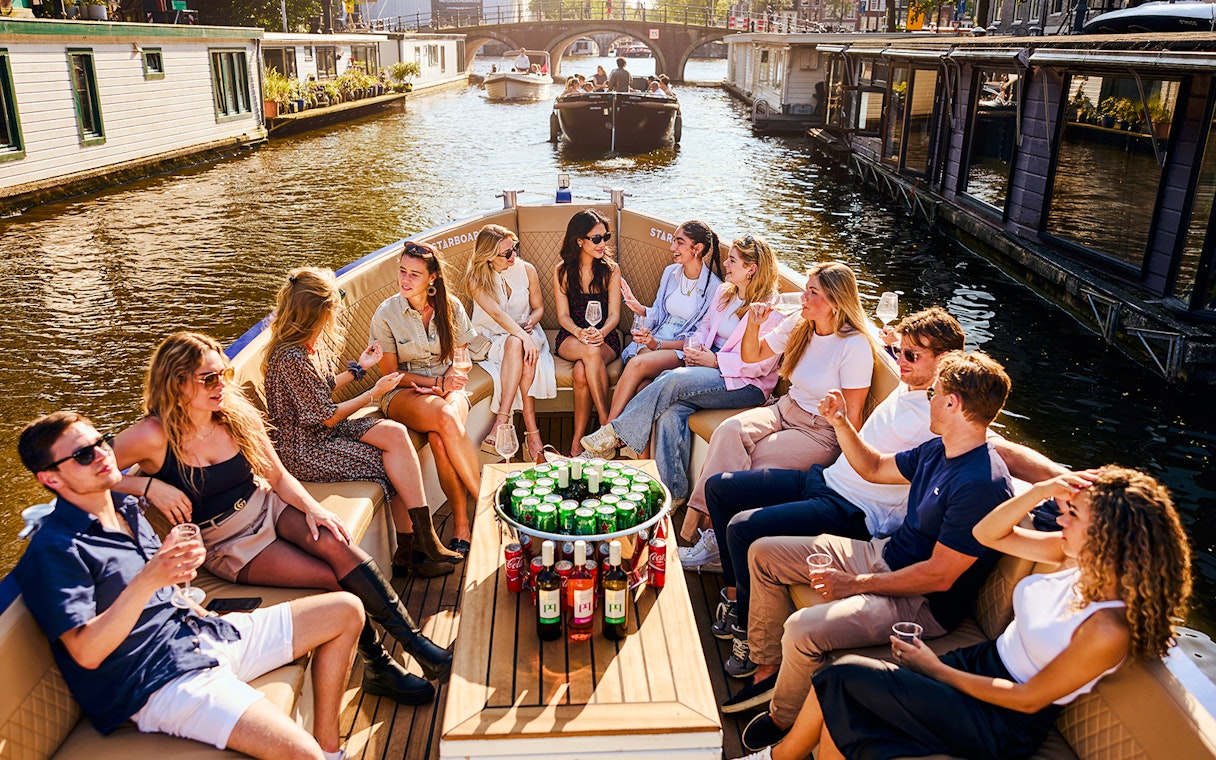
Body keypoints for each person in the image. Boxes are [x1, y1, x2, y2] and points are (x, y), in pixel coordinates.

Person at [732, 466, 1192, 760]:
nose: (1063, 518)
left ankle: (776, 759)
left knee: (841, 677)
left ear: (1110, 536)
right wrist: (1045, 490)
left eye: (1073, 514)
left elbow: (1029, 700)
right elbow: (990, 533)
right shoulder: (1075, 557)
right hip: (976, 665)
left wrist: (933, 667)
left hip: (1002, 718)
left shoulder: (1109, 626)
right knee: (851, 713)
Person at [113, 332, 451, 706]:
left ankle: (418, 646)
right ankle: (379, 667)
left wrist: (314, 508)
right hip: (230, 543)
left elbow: (276, 477)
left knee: (337, 542)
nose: (221, 385)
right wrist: (146, 488)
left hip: (267, 505)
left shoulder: (234, 416)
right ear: (176, 383)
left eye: (223, 374)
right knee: (329, 579)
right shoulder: (152, 436)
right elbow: (92, 472)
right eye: (209, 379)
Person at [15, 411, 363, 759]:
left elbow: (164, 594)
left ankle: (330, 749)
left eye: (102, 441)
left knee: (345, 610)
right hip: (159, 679)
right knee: (301, 754)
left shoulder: (126, 507)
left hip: (202, 634)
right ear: (51, 478)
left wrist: (185, 594)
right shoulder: (56, 549)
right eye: (82, 455)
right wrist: (149, 578)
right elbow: (87, 653)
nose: (103, 455)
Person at [736, 351, 1016, 753]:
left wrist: (853, 584)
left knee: (801, 629)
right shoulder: (939, 449)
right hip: (884, 554)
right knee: (763, 553)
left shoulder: (981, 484)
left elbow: (939, 576)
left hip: (920, 604)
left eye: (934, 393)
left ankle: (782, 718)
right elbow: (873, 467)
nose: (928, 398)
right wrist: (841, 423)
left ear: (953, 404)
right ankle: (768, 668)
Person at [262, 267, 460, 579]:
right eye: (334, 306)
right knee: (390, 464)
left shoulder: (302, 345)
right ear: (320, 311)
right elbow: (326, 416)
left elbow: (319, 389)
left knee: (395, 434)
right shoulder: (291, 358)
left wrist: (360, 368)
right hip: (304, 448)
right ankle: (414, 551)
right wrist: (373, 393)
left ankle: (423, 542)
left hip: (320, 431)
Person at [682, 262, 881, 552]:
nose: (803, 297)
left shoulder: (854, 346)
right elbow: (752, 356)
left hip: (819, 432)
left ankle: (715, 541)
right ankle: (694, 531)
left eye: (812, 292)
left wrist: (847, 470)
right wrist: (753, 323)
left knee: (752, 463)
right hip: (784, 409)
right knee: (729, 431)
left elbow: (853, 415)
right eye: (806, 290)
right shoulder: (801, 324)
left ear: (836, 301)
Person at [580, 235, 784, 502]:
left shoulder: (771, 308)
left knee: (671, 379)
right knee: (671, 412)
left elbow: (762, 364)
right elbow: (705, 328)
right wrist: (696, 349)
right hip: (709, 371)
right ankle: (672, 493)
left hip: (744, 385)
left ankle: (614, 433)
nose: (725, 264)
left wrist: (715, 361)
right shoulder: (725, 293)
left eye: (732, 260)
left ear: (751, 269)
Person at [370, 241, 482, 554]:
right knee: (444, 419)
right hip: (403, 393)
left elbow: (463, 359)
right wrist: (434, 381)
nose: (405, 279)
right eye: (402, 272)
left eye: (414, 274)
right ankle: (489, 507)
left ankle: (462, 524)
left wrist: (452, 381)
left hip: (448, 388)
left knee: (438, 437)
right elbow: (390, 375)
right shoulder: (387, 314)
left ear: (431, 278)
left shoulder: (452, 307)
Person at [612, 220, 723, 421]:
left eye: (679, 242)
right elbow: (660, 313)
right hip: (659, 336)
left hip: (682, 348)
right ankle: (628, 447)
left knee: (637, 364)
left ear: (697, 249)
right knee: (642, 387)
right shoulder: (670, 273)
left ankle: (605, 430)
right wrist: (640, 309)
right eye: (673, 241)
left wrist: (658, 344)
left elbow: (699, 339)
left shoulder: (714, 289)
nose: (672, 248)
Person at [466, 224, 556, 462]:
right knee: (517, 345)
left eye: (514, 249)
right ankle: (532, 435)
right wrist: (523, 337)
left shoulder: (527, 270)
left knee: (520, 347)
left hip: (527, 333)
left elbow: (538, 308)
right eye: (506, 253)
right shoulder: (476, 279)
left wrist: (529, 323)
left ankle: (502, 423)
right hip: (493, 341)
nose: (513, 256)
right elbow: (497, 315)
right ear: (488, 257)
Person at [552, 209, 623, 457]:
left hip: (606, 336)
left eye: (605, 237)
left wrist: (600, 333)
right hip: (572, 336)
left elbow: (615, 315)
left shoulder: (611, 270)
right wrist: (579, 332)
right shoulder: (562, 270)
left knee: (583, 370)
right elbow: (563, 316)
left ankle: (576, 444)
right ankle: (607, 426)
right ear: (579, 240)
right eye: (596, 239)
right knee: (588, 351)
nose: (602, 243)